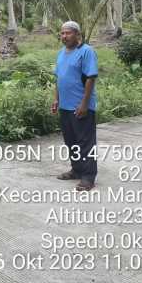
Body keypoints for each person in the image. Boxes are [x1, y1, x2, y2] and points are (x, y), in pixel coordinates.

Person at [51, 21, 99, 192]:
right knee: (71, 141)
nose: (64, 36)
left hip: (81, 106)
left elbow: (90, 78)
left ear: (77, 35)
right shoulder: (61, 53)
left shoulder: (86, 52)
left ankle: (88, 177)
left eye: (68, 33)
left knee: (85, 142)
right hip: (65, 106)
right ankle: (77, 169)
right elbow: (59, 78)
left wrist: (84, 103)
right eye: (62, 33)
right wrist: (56, 99)